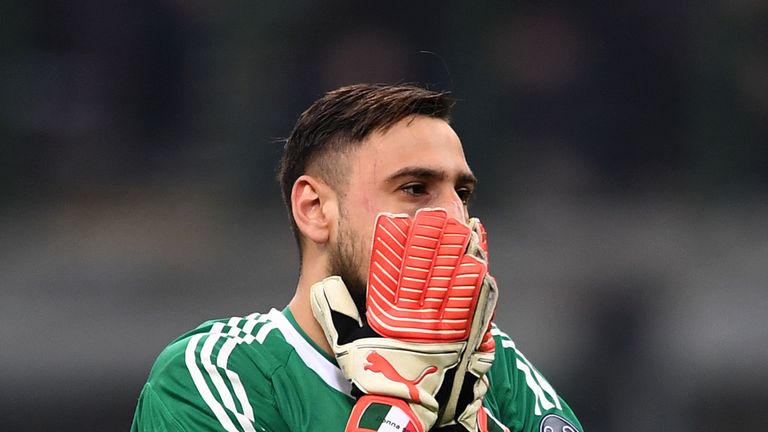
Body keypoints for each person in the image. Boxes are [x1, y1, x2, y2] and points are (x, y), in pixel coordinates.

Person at [130, 84, 582, 432]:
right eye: (414, 189)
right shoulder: (219, 372)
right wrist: (396, 416)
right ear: (314, 209)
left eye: (462, 193)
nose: (455, 217)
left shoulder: (489, 362)